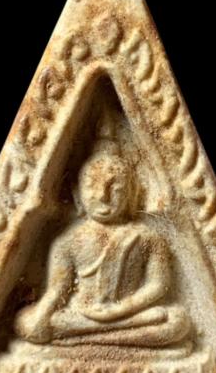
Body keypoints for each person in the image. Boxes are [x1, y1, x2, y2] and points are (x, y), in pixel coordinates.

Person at [13, 148, 191, 348]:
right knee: (26, 321)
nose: (102, 196)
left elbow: (158, 285)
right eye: (91, 186)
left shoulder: (148, 238)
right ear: (77, 194)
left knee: (177, 320)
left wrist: (119, 310)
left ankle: (81, 340)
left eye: (115, 188)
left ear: (132, 193)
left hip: (130, 314)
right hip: (83, 314)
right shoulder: (67, 242)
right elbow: (57, 291)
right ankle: (110, 338)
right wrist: (40, 316)